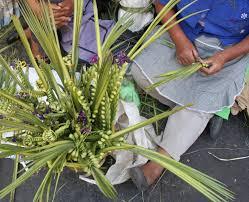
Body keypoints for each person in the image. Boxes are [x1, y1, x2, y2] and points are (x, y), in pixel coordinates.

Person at [129, 0, 249, 190]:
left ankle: (158, 163)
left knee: (204, 99)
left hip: (226, 53)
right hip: (181, 36)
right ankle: (205, 111)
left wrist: (223, 57)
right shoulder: (179, 38)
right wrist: (179, 40)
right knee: (138, 72)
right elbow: (161, 4)